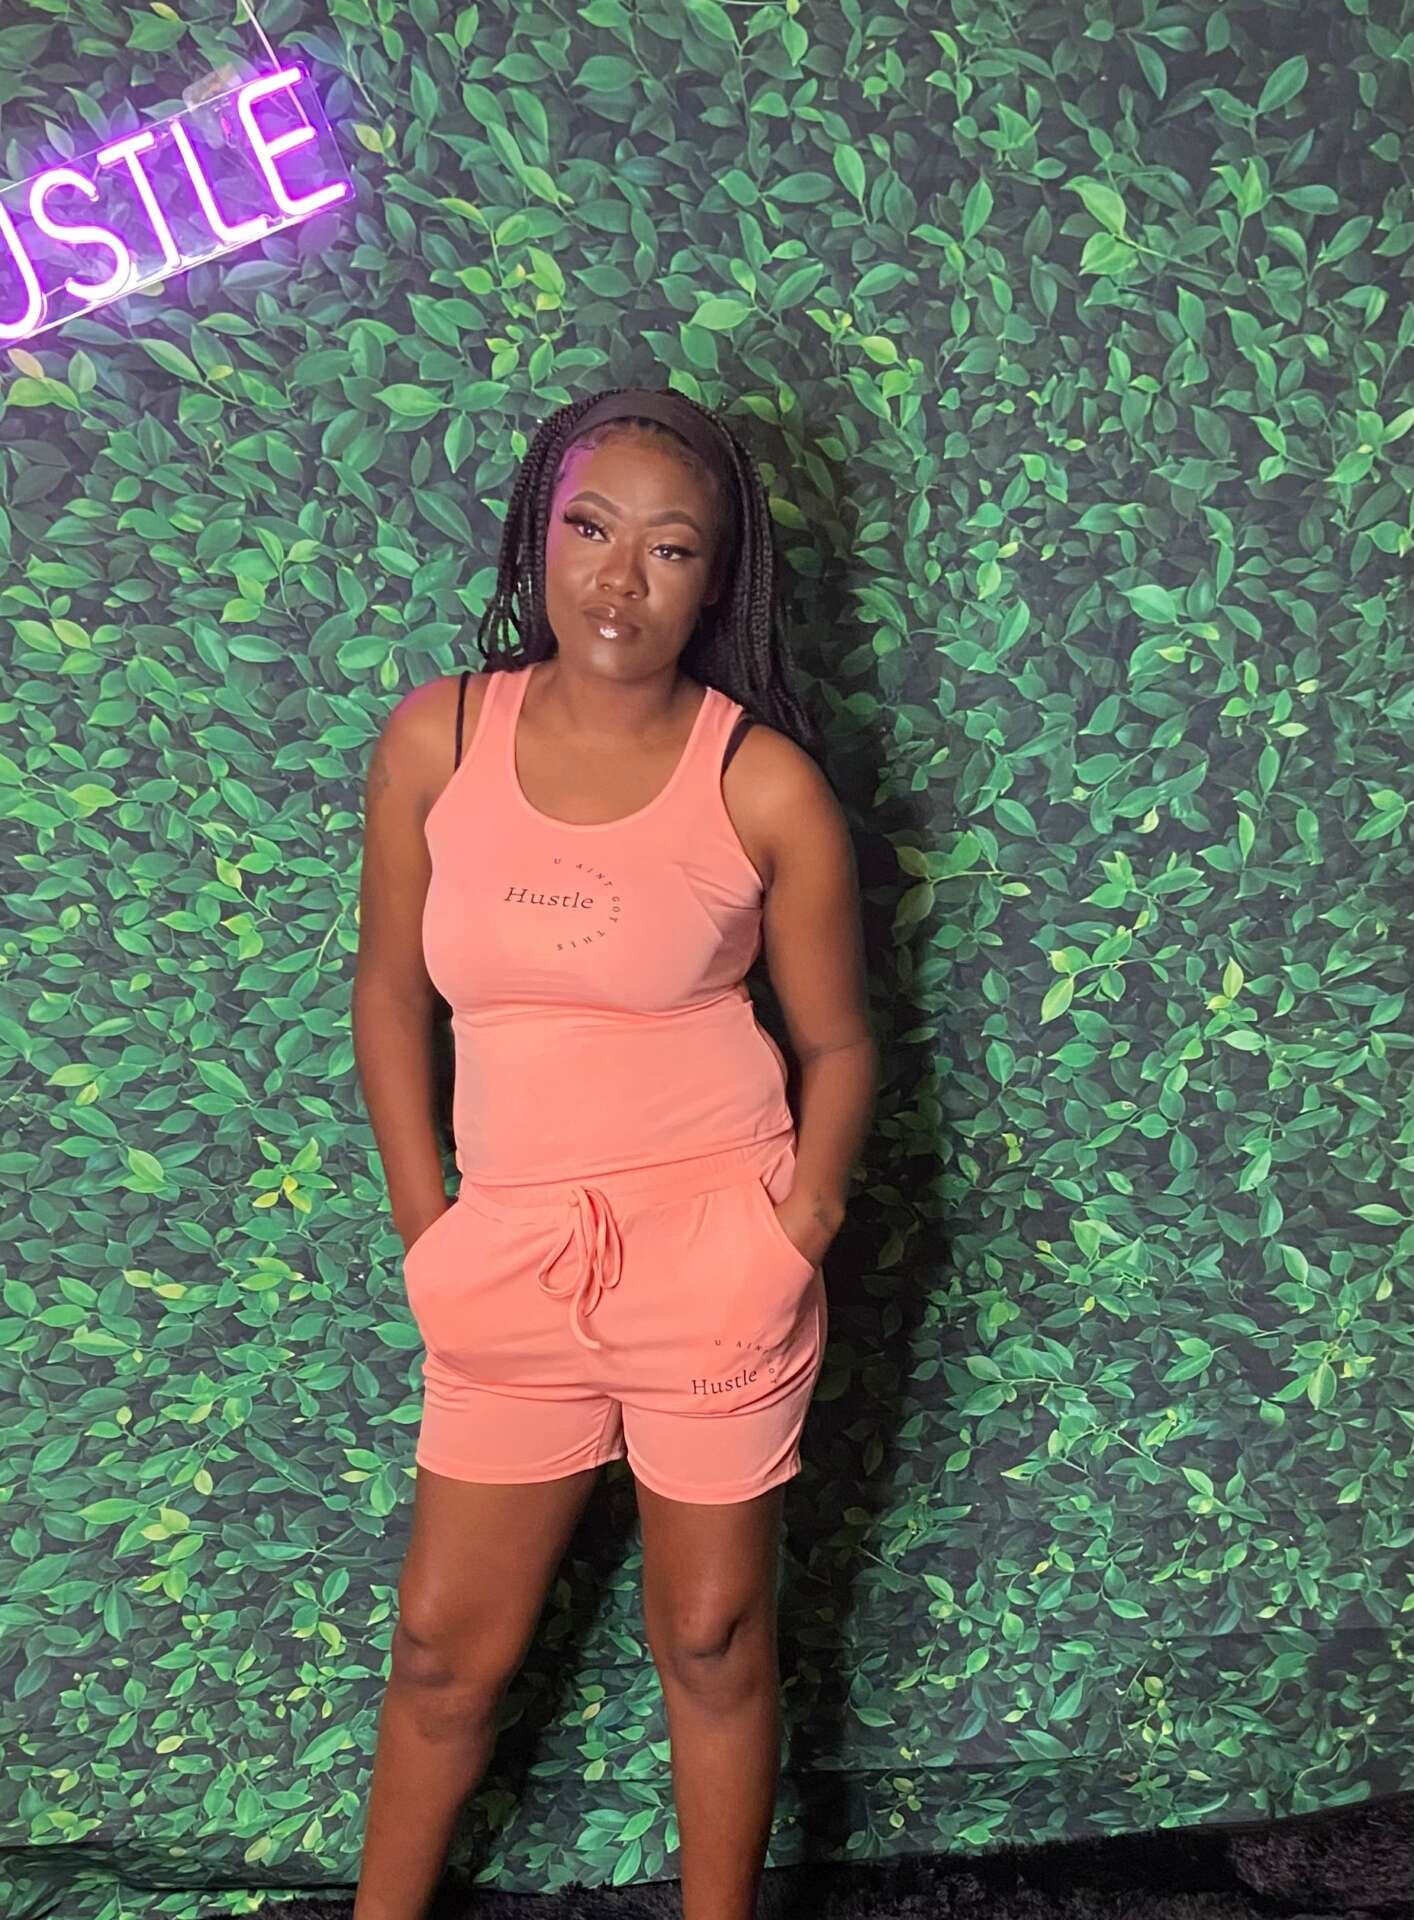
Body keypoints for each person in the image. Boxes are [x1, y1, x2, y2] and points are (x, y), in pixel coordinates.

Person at [351, 385, 878, 1920]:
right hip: (507, 1260)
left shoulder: (759, 783)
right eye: (590, 528)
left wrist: (790, 1229)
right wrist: (429, 1226)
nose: (619, 578)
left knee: (711, 1638)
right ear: (540, 535)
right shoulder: (439, 739)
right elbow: (387, 992)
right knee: (441, 1651)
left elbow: (840, 1046)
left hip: (710, 1258)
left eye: (670, 547)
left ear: (716, 581)